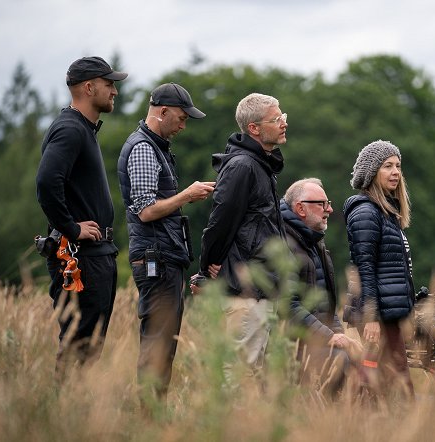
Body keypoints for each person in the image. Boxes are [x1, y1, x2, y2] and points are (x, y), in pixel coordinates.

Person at [117, 83, 214, 400]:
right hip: (155, 260)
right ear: (163, 111)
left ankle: (153, 416)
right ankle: (149, 418)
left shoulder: (154, 146)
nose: (184, 126)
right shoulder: (144, 148)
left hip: (163, 258)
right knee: (157, 344)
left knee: (164, 343)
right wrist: (186, 194)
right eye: (182, 118)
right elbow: (145, 211)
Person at [36, 56, 127, 379]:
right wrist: (71, 228)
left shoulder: (82, 128)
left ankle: (78, 416)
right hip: (80, 258)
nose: (114, 91)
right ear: (89, 88)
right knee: (79, 345)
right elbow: (47, 183)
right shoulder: (71, 129)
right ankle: (67, 417)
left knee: (89, 348)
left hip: (94, 256)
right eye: (109, 84)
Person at [198, 92, 287, 379]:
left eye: (283, 117)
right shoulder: (243, 166)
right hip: (244, 290)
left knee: (253, 373)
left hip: (259, 288)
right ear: (254, 129)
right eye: (276, 119)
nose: (284, 123)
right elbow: (220, 221)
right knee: (240, 374)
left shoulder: (259, 164)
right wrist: (207, 265)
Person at [343, 139, 416, 400]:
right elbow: (365, 267)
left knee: (388, 384)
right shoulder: (366, 212)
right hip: (377, 317)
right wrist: (371, 316)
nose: (396, 172)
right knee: (393, 386)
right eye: (387, 166)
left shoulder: (386, 214)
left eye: (398, 165)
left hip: (389, 315)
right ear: (372, 172)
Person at [280, 178, 360, 399]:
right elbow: (288, 306)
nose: (330, 209)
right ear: (300, 208)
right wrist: (330, 337)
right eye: (322, 204)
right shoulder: (284, 243)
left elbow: (326, 305)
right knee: (342, 360)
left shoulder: (315, 242)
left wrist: (339, 336)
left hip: (316, 340)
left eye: (329, 203)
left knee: (364, 361)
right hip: (292, 346)